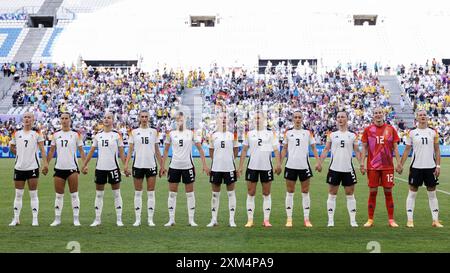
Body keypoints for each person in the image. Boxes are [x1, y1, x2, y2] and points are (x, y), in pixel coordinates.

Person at [159, 112, 209, 227]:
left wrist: (204, 165)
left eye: (181, 120)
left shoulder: (191, 133)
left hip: (188, 167)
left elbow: (201, 150)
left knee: (190, 194)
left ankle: (191, 220)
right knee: (172, 194)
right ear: (175, 121)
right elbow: (166, 150)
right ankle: (171, 220)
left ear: (185, 120)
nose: (179, 122)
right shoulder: (171, 134)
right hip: (174, 166)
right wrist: (162, 165)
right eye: (177, 120)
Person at [399, 110, 443, 227]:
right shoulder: (412, 132)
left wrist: (438, 166)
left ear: (427, 118)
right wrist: (401, 164)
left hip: (431, 168)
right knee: (412, 193)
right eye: (420, 115)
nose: (423, 117)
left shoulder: (433, 132)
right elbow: (407, 150)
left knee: (432, 194)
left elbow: (437, 150)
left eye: (424, 115)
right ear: (416, 118)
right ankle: (410, 220)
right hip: (416, 167)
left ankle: (435, 220)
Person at [237, 111, 282, 228]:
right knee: (251, 193)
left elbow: (276, 150)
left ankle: (266, 220)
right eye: (255, 118)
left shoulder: (270, 134)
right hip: (252, 167)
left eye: (259, 118)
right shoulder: (249, 134)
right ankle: (250, 220)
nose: (257, 120)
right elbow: (244, 150)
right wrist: (240, 166)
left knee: (266, 193)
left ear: (264, 119)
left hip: (266, 167)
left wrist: (278, 164)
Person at [317, 111, 361, 227]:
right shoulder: (331, 135)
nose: (340, 119)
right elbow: (326, 149)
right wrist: (320, 162)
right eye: (338, 117)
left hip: (348, 169)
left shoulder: (353, 135)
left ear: (347, 119)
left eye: (343, 117)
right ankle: (330, 221)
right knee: (332, 194)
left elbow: (357, 151)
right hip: (334, 169)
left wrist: (361, 164)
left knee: (350, 194)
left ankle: (353, 220)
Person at [82, 112, 127, 227]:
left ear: (113, 120)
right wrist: (84, 164)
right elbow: (91, 151)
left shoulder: (117, 135)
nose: (106, 120)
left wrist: (125, 166)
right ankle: (97, 219)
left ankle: (119, 219)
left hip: (113, 168)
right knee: (99, 195)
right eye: (105, 118)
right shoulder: (98, 135)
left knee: (117, 194)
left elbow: (121, 152)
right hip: (100, 168)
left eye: (109, 118)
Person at [360, 107, 402, 228]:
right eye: (376, 113)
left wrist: (399, 163)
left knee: (388, 192)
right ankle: (370, 219)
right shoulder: (368, 130)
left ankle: (391, 220)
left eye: (380, 112)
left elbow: (395, 148)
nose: (378, 115)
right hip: (372, 166)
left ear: (383, 114)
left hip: (388, 166)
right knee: (373, 192)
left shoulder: (390, 129)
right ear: (373, 115)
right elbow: (364, 148)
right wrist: (362, 163)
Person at [280, 110, 320, 228]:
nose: (297, 119)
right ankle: (289, 218)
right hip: (290, 166)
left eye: (299, 117)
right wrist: (279, 164)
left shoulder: (308, 133)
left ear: (302, 119)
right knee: (290, 192)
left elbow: (313, 148)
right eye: (295, 117)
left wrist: (318, 161)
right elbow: (284, 149)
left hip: (304, 166)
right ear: (293, 119)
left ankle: (306, 219)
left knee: (305, 192)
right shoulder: (288, 132)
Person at [9, 112, 49, 226]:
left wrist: (45, 164)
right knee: (18, 194)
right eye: (25, 117)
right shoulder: (16, 134)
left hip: (32, 167)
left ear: (33, 120)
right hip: (19, 168)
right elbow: (11, 147)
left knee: (33, 194)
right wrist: (19, 154)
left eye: (29, 117)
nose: (27, 119)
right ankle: (16, 219)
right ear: (23, 119)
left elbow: (42, 149)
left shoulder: (36, 133)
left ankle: (35, 219)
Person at [47, 112, 86, 226]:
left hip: (72, 168)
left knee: (74, 194)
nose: (64, 120)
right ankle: (57, 219)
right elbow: (51, 151)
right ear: (60, 120)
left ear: (70, 120)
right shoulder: (55, 135)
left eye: (66, 118)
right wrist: (46, 164)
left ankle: (76, 219)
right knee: (59, 195)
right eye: (62, 118)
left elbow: (81, 151)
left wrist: (85, 164)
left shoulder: (75, 134)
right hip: (59, 168)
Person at [124, 110, 162, 227]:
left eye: (146, 116)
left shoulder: (154, 132)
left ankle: (150, 219)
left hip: (151, 165)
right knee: (138, 193)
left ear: (149, 118)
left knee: (151, 193)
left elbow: (156, 149)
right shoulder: (134, 132)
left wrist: (162, 165)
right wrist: (126, 164)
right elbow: (130, 150)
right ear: (139, 118)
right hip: (138, 165)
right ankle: (138, 219)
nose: (144, 118)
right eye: (142, 117)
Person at [207, 112, 239, 227]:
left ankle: (231, 220)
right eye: (221, 117)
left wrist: (230, 160)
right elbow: (211, 152)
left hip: (229, 168)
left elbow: (236, 150)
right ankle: (214, 219)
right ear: (217, 120)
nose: (223, 119)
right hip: (216, 168)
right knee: (215, 194)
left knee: (231, 193)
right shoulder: (213, 135)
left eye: (225, 118)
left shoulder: (232, 135)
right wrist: (217, 161)